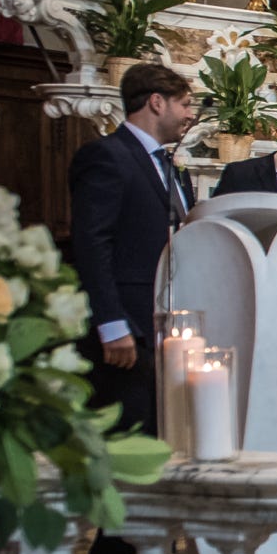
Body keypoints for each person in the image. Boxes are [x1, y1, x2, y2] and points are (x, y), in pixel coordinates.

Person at [69, 61, 198, 436]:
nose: (190, 115)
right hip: (127, 325)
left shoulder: (172, 167)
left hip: (162, 323)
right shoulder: (107, 156)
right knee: (128, 429)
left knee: (160, 430)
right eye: (185, 104)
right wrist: (111, 323)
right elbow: (92, 243)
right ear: (157, 102)